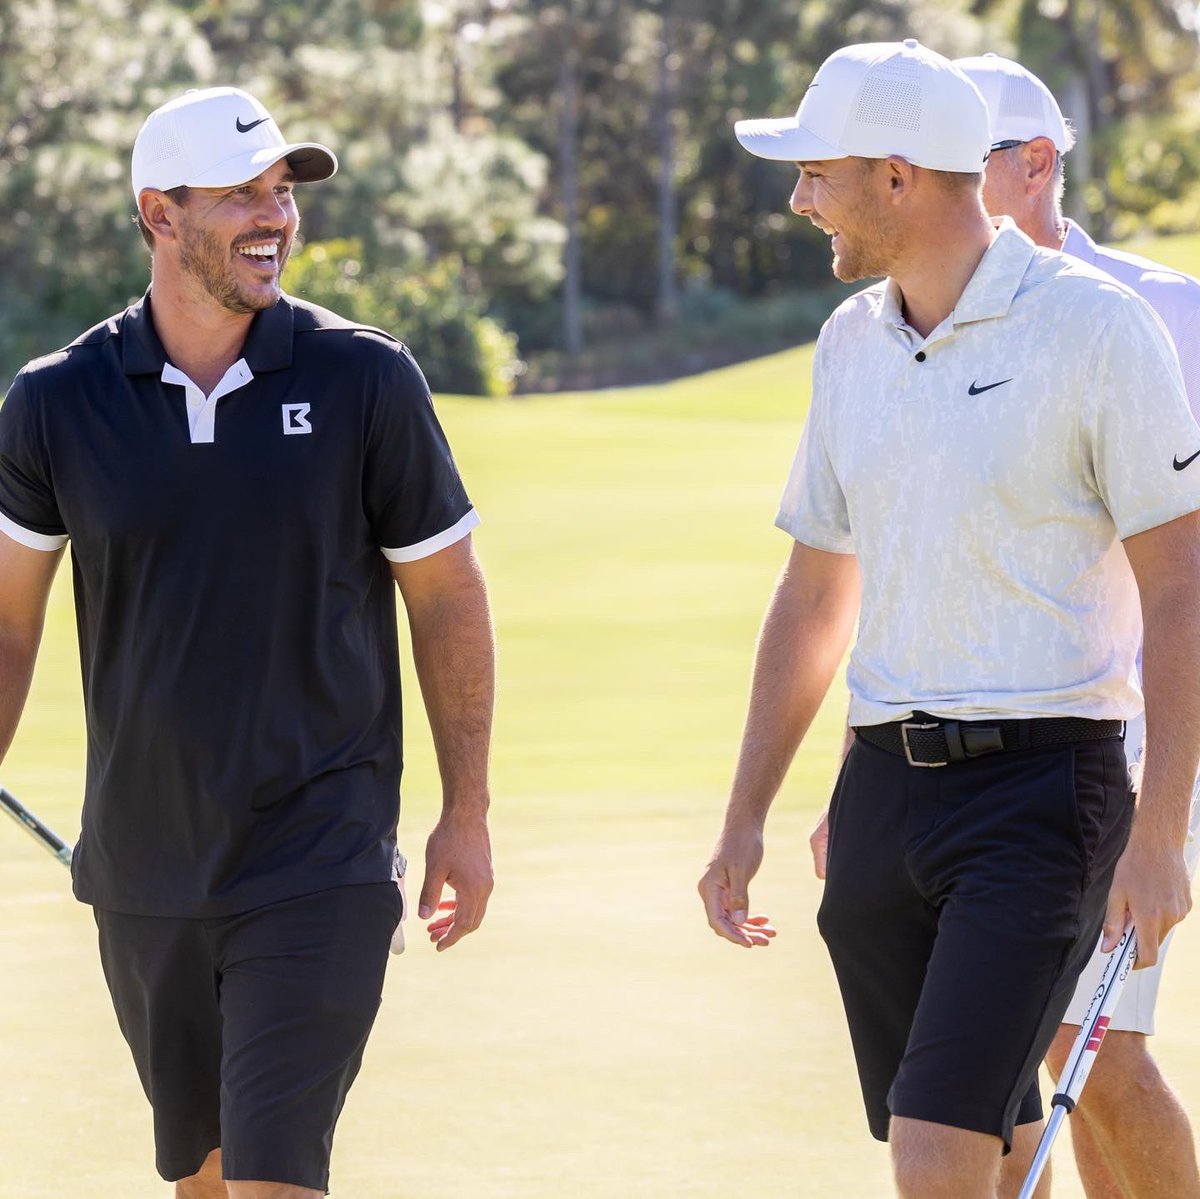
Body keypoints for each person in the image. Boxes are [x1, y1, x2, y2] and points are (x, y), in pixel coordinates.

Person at [696, 39, 1200, 1199]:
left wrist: (1161, 828)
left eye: (816, 171)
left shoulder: (1093, 328)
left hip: (1045, 786)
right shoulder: (848, 344)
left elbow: (1178, 582)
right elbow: (817, 592)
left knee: (937, 1147)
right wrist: (745, 815)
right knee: (997, 1133)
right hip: (887, 792)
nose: (798, 197)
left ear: (896, 175)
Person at [0, 86, 495, 1199]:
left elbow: (447, 596)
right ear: (158, 215)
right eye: (240, 194)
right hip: (142, 866)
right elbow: (8, 618)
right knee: (209, 1177)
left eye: (283, 191)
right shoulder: (55, 402)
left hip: (320, 853)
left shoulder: (365, 377)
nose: (274, 214)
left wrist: (466, 809)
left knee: (276, 1173)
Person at [951, 51, 1200, 1199]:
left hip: (1129, 749)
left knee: (1092, 1054)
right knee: (997, 1066)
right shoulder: (929, 327)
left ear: (1036, 163)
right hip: (988, 762)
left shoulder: (1169, 313)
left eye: (963, 162)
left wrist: (1162, 822)